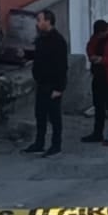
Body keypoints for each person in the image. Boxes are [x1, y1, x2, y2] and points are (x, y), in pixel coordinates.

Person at [21, 9, 68, 156]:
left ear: (48, 21)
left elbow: (62, 66)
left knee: (54, 117)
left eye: (39, 20)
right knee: (40, 115)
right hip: (41, 82)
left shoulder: (58, 41)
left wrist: (59, 88)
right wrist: (25, 54)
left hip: (52, 84)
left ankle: (56, 144)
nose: (37, 23)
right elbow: (38, 55)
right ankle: (39, 143)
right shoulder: (41, 38)